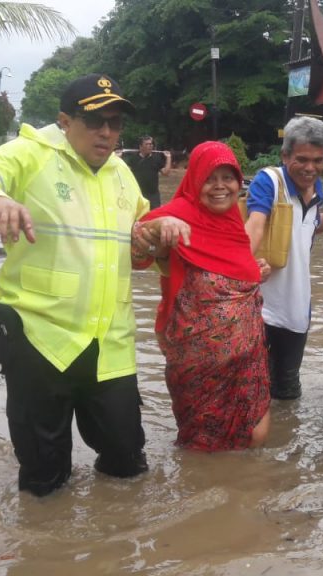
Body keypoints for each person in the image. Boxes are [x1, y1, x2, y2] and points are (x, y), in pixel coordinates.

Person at [0, 73, 150, 496]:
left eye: (115, 123)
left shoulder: (123, 174)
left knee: (127, 463)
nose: (107, 132)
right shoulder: (31, 153)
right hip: (40, 339)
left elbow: (142, 235)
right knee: (45, 479)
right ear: (65, 121)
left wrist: (159, 232)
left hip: (109, 341)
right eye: (95, 120)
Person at [132, 141, 271, 451]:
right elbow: (135, 251)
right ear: (195, 179)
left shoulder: (234, 221)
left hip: (248, 360)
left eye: (228, 177)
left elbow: (230, 271)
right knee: (201, 450)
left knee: (256, 437)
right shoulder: (178, 215)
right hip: (198, 369)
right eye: (210, 178)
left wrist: (255, 272)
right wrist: (157, 228)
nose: (220, 186)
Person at [244, 116, 323, 400]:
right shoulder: (269, 181)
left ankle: (286, 441)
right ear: (285, 155)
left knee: (289, 391)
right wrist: (240, 266)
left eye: (318, 161)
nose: (310, 168)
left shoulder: (317, 189)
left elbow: (312, 225)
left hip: (297, 309)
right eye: (302, 159)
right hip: (261, 307)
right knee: (256, 392)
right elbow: (255, 223)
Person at [124, 136, 170, 209]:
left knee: (154, 217)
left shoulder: (156, 159)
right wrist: (118, 157)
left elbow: (166, 173)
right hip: (137, 194)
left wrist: (168, 158)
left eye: (151, 144)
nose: (150, 146)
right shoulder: (133, 159)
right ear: (141, 146)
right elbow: (124, 173)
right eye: (147, 144)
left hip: (153, 195)